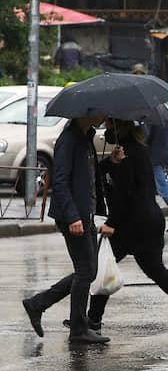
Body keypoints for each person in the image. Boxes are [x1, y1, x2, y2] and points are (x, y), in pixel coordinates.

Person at [83, 120, 168, 336]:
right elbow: (108, 176)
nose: (106, 132)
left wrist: (111, 223)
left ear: (122, 128)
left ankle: (93, 321)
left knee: (101, 266)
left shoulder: (130, 154)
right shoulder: (129, 151)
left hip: (134, 224)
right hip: (144, 221)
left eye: (111, 127)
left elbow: (126, 194)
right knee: (154, 270)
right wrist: (110, 163)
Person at [22, 115, 110, 344]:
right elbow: (60, 181)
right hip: (74, 216)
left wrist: (113, 161)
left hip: (85, 213)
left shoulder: (85, 138)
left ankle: (37, 304)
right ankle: (78, 329)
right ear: (84, 114)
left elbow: (87, 174)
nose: (103, 117)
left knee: (89, 270)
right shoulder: (68, 140)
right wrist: (72, 216)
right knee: (85, 271)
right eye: (99, 113)